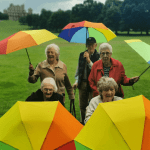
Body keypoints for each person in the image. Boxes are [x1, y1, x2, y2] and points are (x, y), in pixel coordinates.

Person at [72, 37, 100, 124]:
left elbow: (96, 70)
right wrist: (76, 81)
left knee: (92, 105)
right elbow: (78, 69)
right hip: (82, 83)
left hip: (92, 85)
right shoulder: (81, 55)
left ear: (95, 45)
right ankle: (83, 122)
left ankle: (92, 123)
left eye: (92, 45)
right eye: (88, 45)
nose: (90, 47)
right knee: (82, 106)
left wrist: (88, 60)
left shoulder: (98, 56)